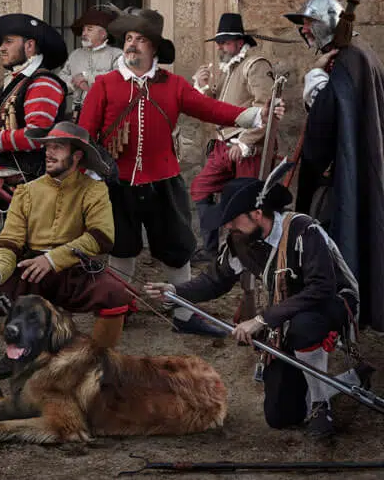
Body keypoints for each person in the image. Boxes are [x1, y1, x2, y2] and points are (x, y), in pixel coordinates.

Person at [77, 7, 280, 335]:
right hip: (117, 183)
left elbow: (213, 109)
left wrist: (255, 116)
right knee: (122, 248)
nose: (132, 45)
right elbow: (85, 134)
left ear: (154, 48)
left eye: (140, 40)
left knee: (177, 249)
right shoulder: (104, 85)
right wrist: (90, 173)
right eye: (128, 38)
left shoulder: (173, 86)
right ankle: (118, 309)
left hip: (164, 183)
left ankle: (184, 316)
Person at [146, 174, 369, 439]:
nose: (228, 225)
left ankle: (321, 406)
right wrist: (175, 291)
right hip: (283, 314)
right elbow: (215, 281)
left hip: (331, 304)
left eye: (233, 218)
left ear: (257, 213)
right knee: (281, 416)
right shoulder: (241, 241)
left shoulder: (304, 230)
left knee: (304, 327)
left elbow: (321, 288)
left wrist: (262, 319)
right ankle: (353, 380)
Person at [0, 122, 130, 400]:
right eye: (47, 146)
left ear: (77, 156)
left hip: (75, 267)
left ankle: (94, 376)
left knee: (116, 295)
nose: (49, 152)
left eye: (57, 147)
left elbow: (101, 237)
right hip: (27, 271)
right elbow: (9, 242)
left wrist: (53, 259)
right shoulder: (26, 192)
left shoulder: (94, 190)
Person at [286, 0, 384, 334]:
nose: (305, 31)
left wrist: (312, 78)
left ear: (328, 23)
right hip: (357, 169)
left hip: (342, 177)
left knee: (331, 243)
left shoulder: (346, 60)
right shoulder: (361, 54)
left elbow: (325, 122)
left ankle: (334, 316)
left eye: (309, 23)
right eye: (303, 25)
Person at [188, 13, 278, 257]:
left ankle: (247, 253)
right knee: (201, 188)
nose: (220, 47)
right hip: (224, 146)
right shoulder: (230, 67)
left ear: (240, 42)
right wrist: (202, 87)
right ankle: (210, 249)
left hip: (248, 148)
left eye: (225, 41)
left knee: (247, 203)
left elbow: (267, 110)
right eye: (219, 42)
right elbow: (216, 108)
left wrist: (247, 142)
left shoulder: (255, 65)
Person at [0, 12, 70, 186]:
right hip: (11, 187)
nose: (1, 48)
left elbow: (35, 137)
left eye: (8, 41)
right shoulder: (18, 81)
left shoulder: (43, 83)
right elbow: (7, 124)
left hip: (31, 185)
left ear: (29, 46)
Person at [59, 5, 122, 120]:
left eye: (89, 29)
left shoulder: (117, 54)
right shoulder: (75, 55)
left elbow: (118, 78)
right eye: (83, 30)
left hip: (107, 114)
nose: (84, 33)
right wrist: (74, 82)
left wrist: (87, 77)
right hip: (78, 114)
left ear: (103, 34)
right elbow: (61, 79)